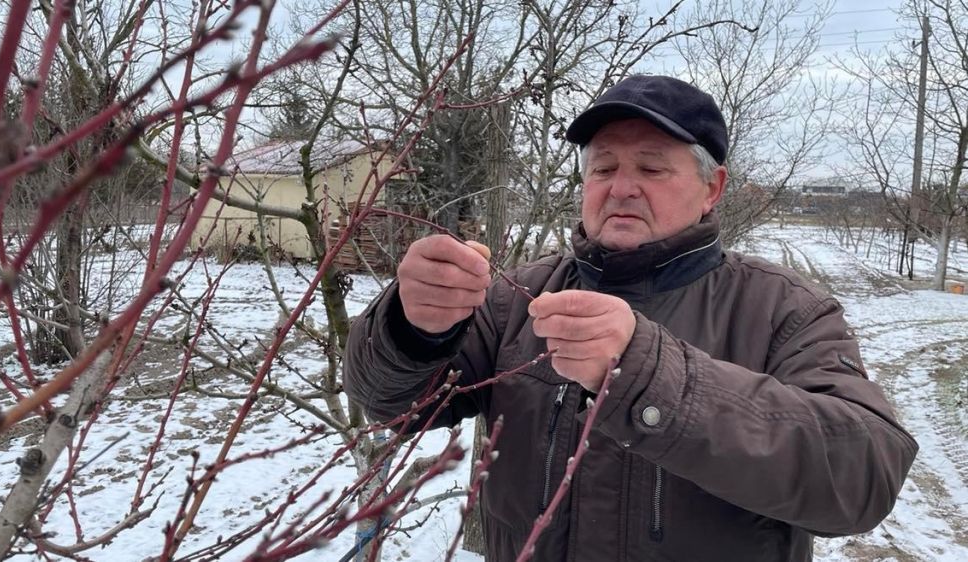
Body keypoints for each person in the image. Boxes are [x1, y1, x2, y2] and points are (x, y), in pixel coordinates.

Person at [343, 74, 918, 561]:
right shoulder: (516, 297)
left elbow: (863, 479)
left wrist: (646, 375)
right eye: (603, 168)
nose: (621, 188)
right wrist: (412, 325)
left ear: (711, 188)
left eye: (651, 168)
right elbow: (393, 405)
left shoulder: (783, 308)